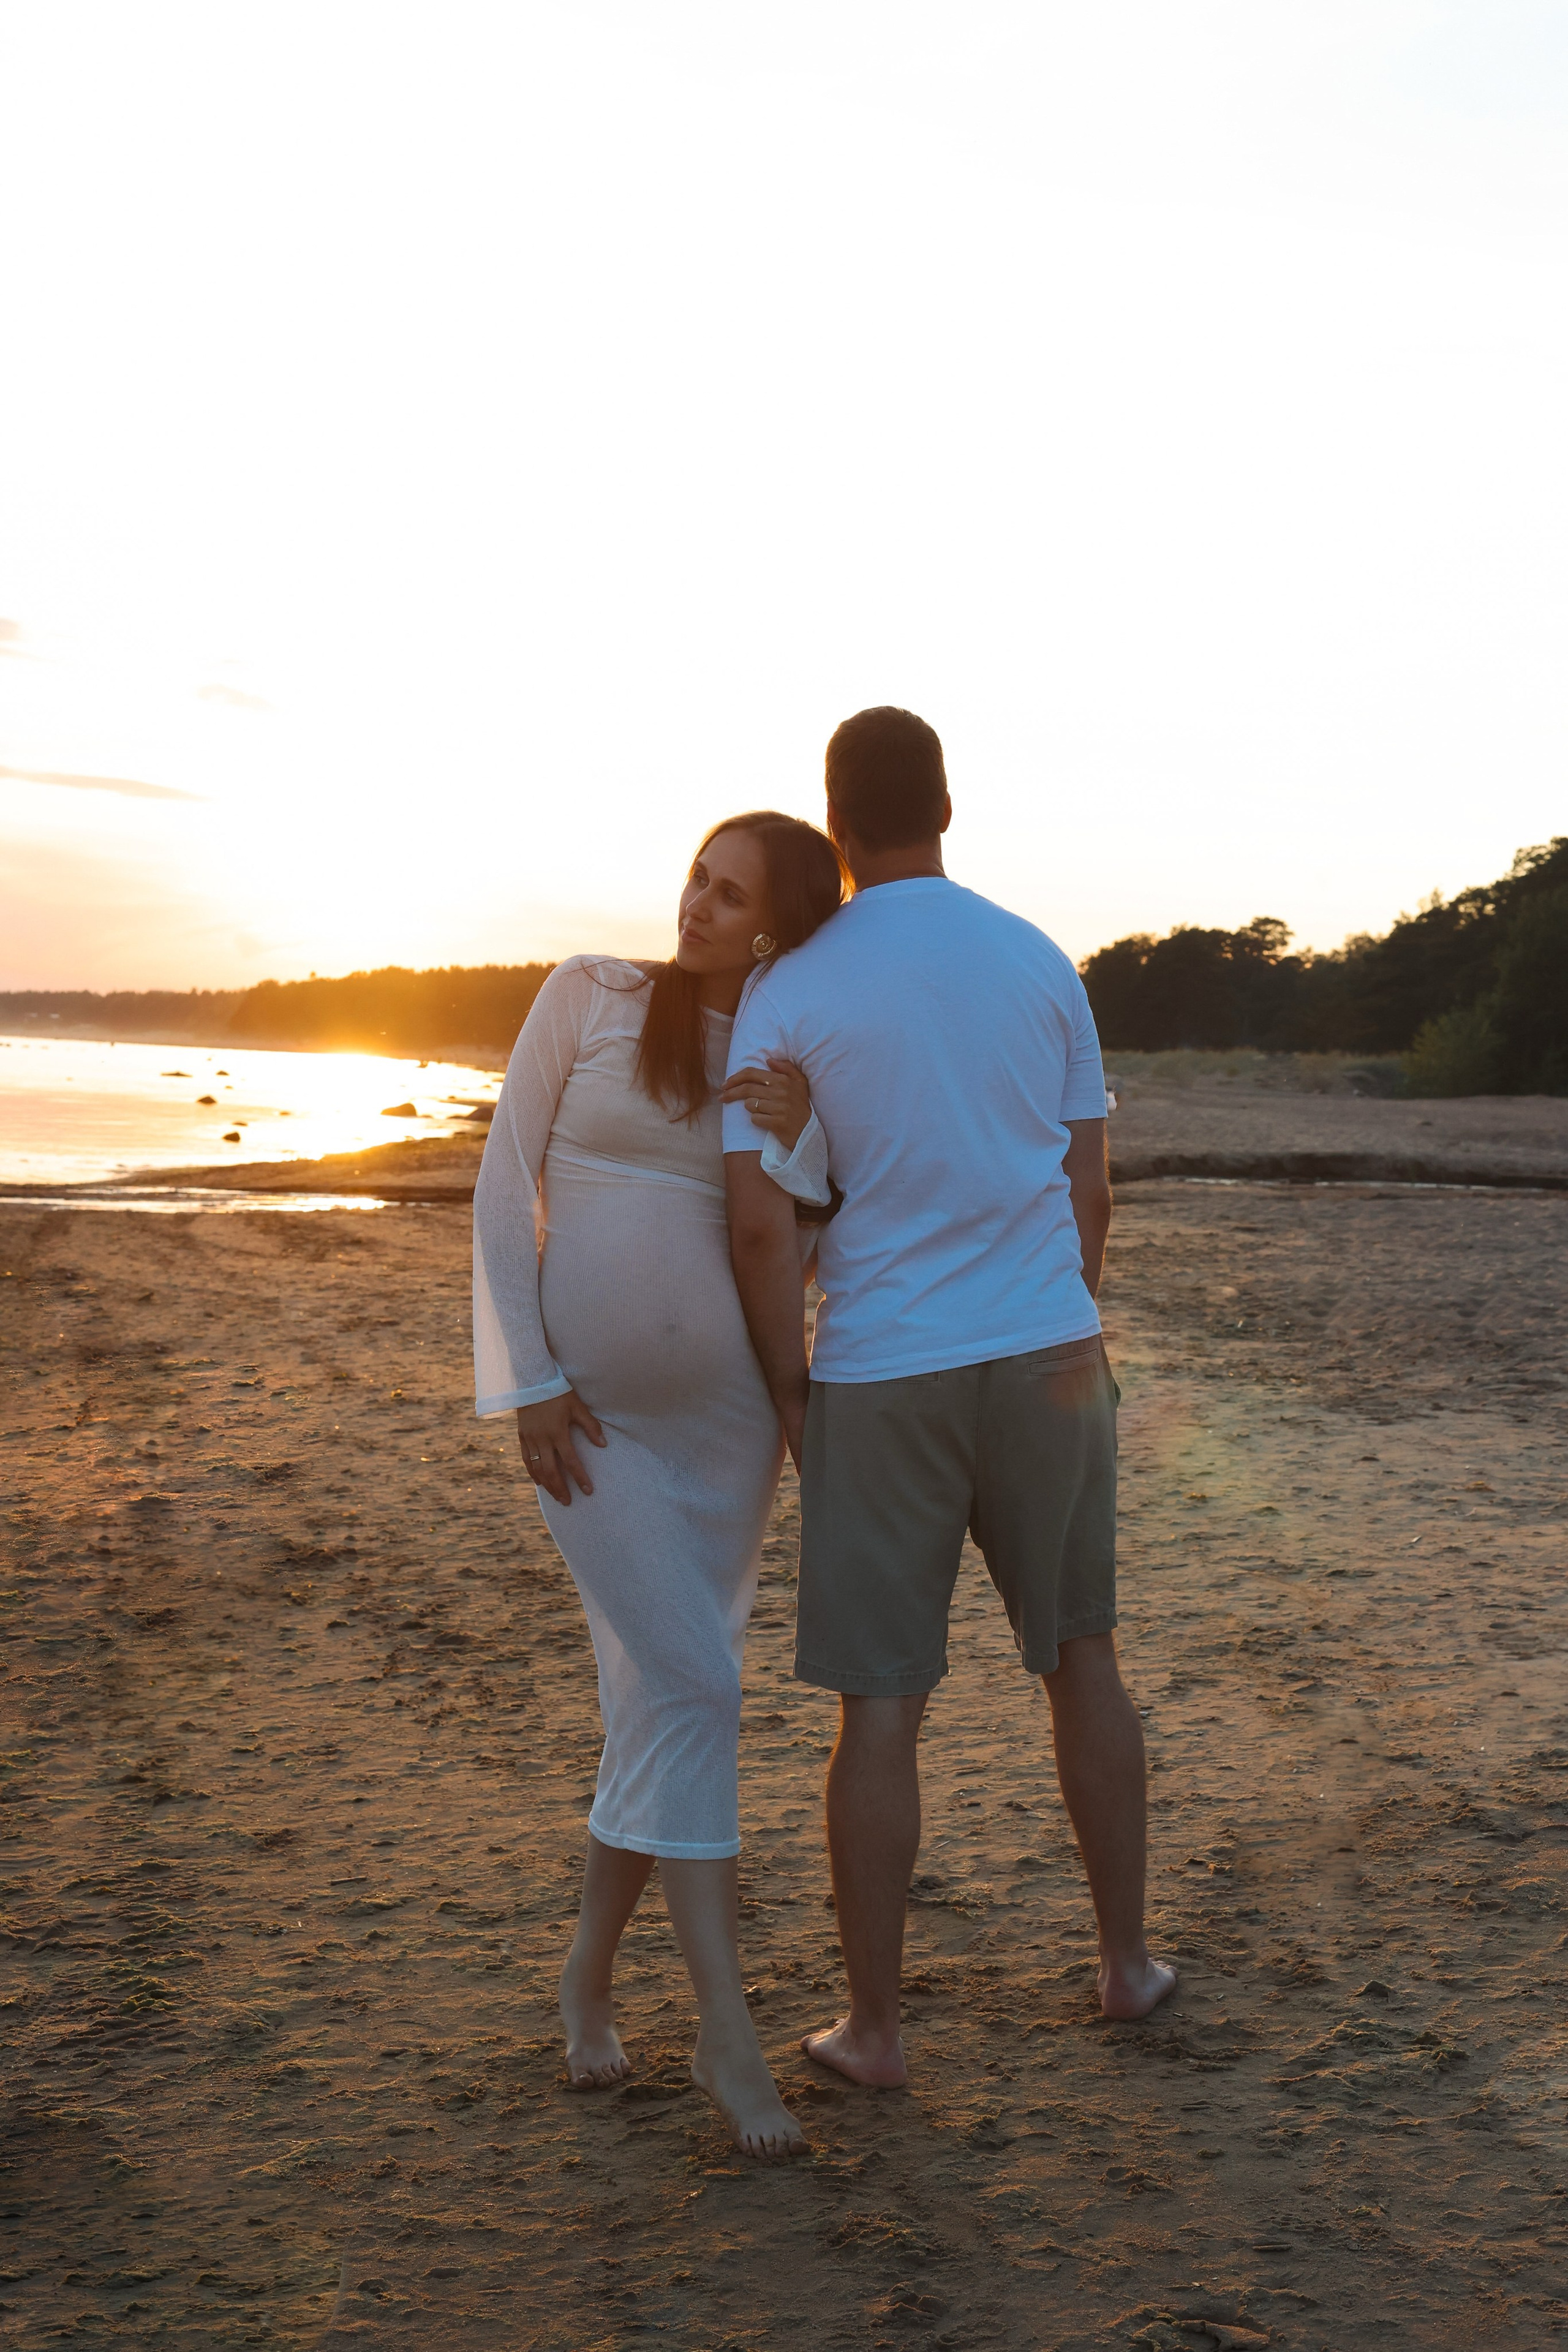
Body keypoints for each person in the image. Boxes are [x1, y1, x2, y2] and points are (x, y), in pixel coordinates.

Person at [723, 707, 1175, 2090]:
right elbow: (1085, 1184)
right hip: (1046, 1353)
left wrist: (790, 1392)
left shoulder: (793, 984)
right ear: (946, 806)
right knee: (1079, 1658)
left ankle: (874, 2030)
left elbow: (757, 1226)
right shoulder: (1038, 958)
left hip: (881, 1369)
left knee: (880, 1710)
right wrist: (1057, 1318)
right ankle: (1121, 1963)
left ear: (834, 820)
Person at [472, 810, 845, 2157]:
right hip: (593, 1428)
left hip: (725, 1438)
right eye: (695, 876)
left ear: (777, 928)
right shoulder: (588, 994)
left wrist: (807, 1149)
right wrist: (520, 1384)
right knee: (696, 1686)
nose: (695, 903)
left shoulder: (777, 1060)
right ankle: (725, 2036)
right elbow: (504, 1185)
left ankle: (584, 1978)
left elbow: (788, 1254)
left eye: (728, 892)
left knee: (658, 1707)